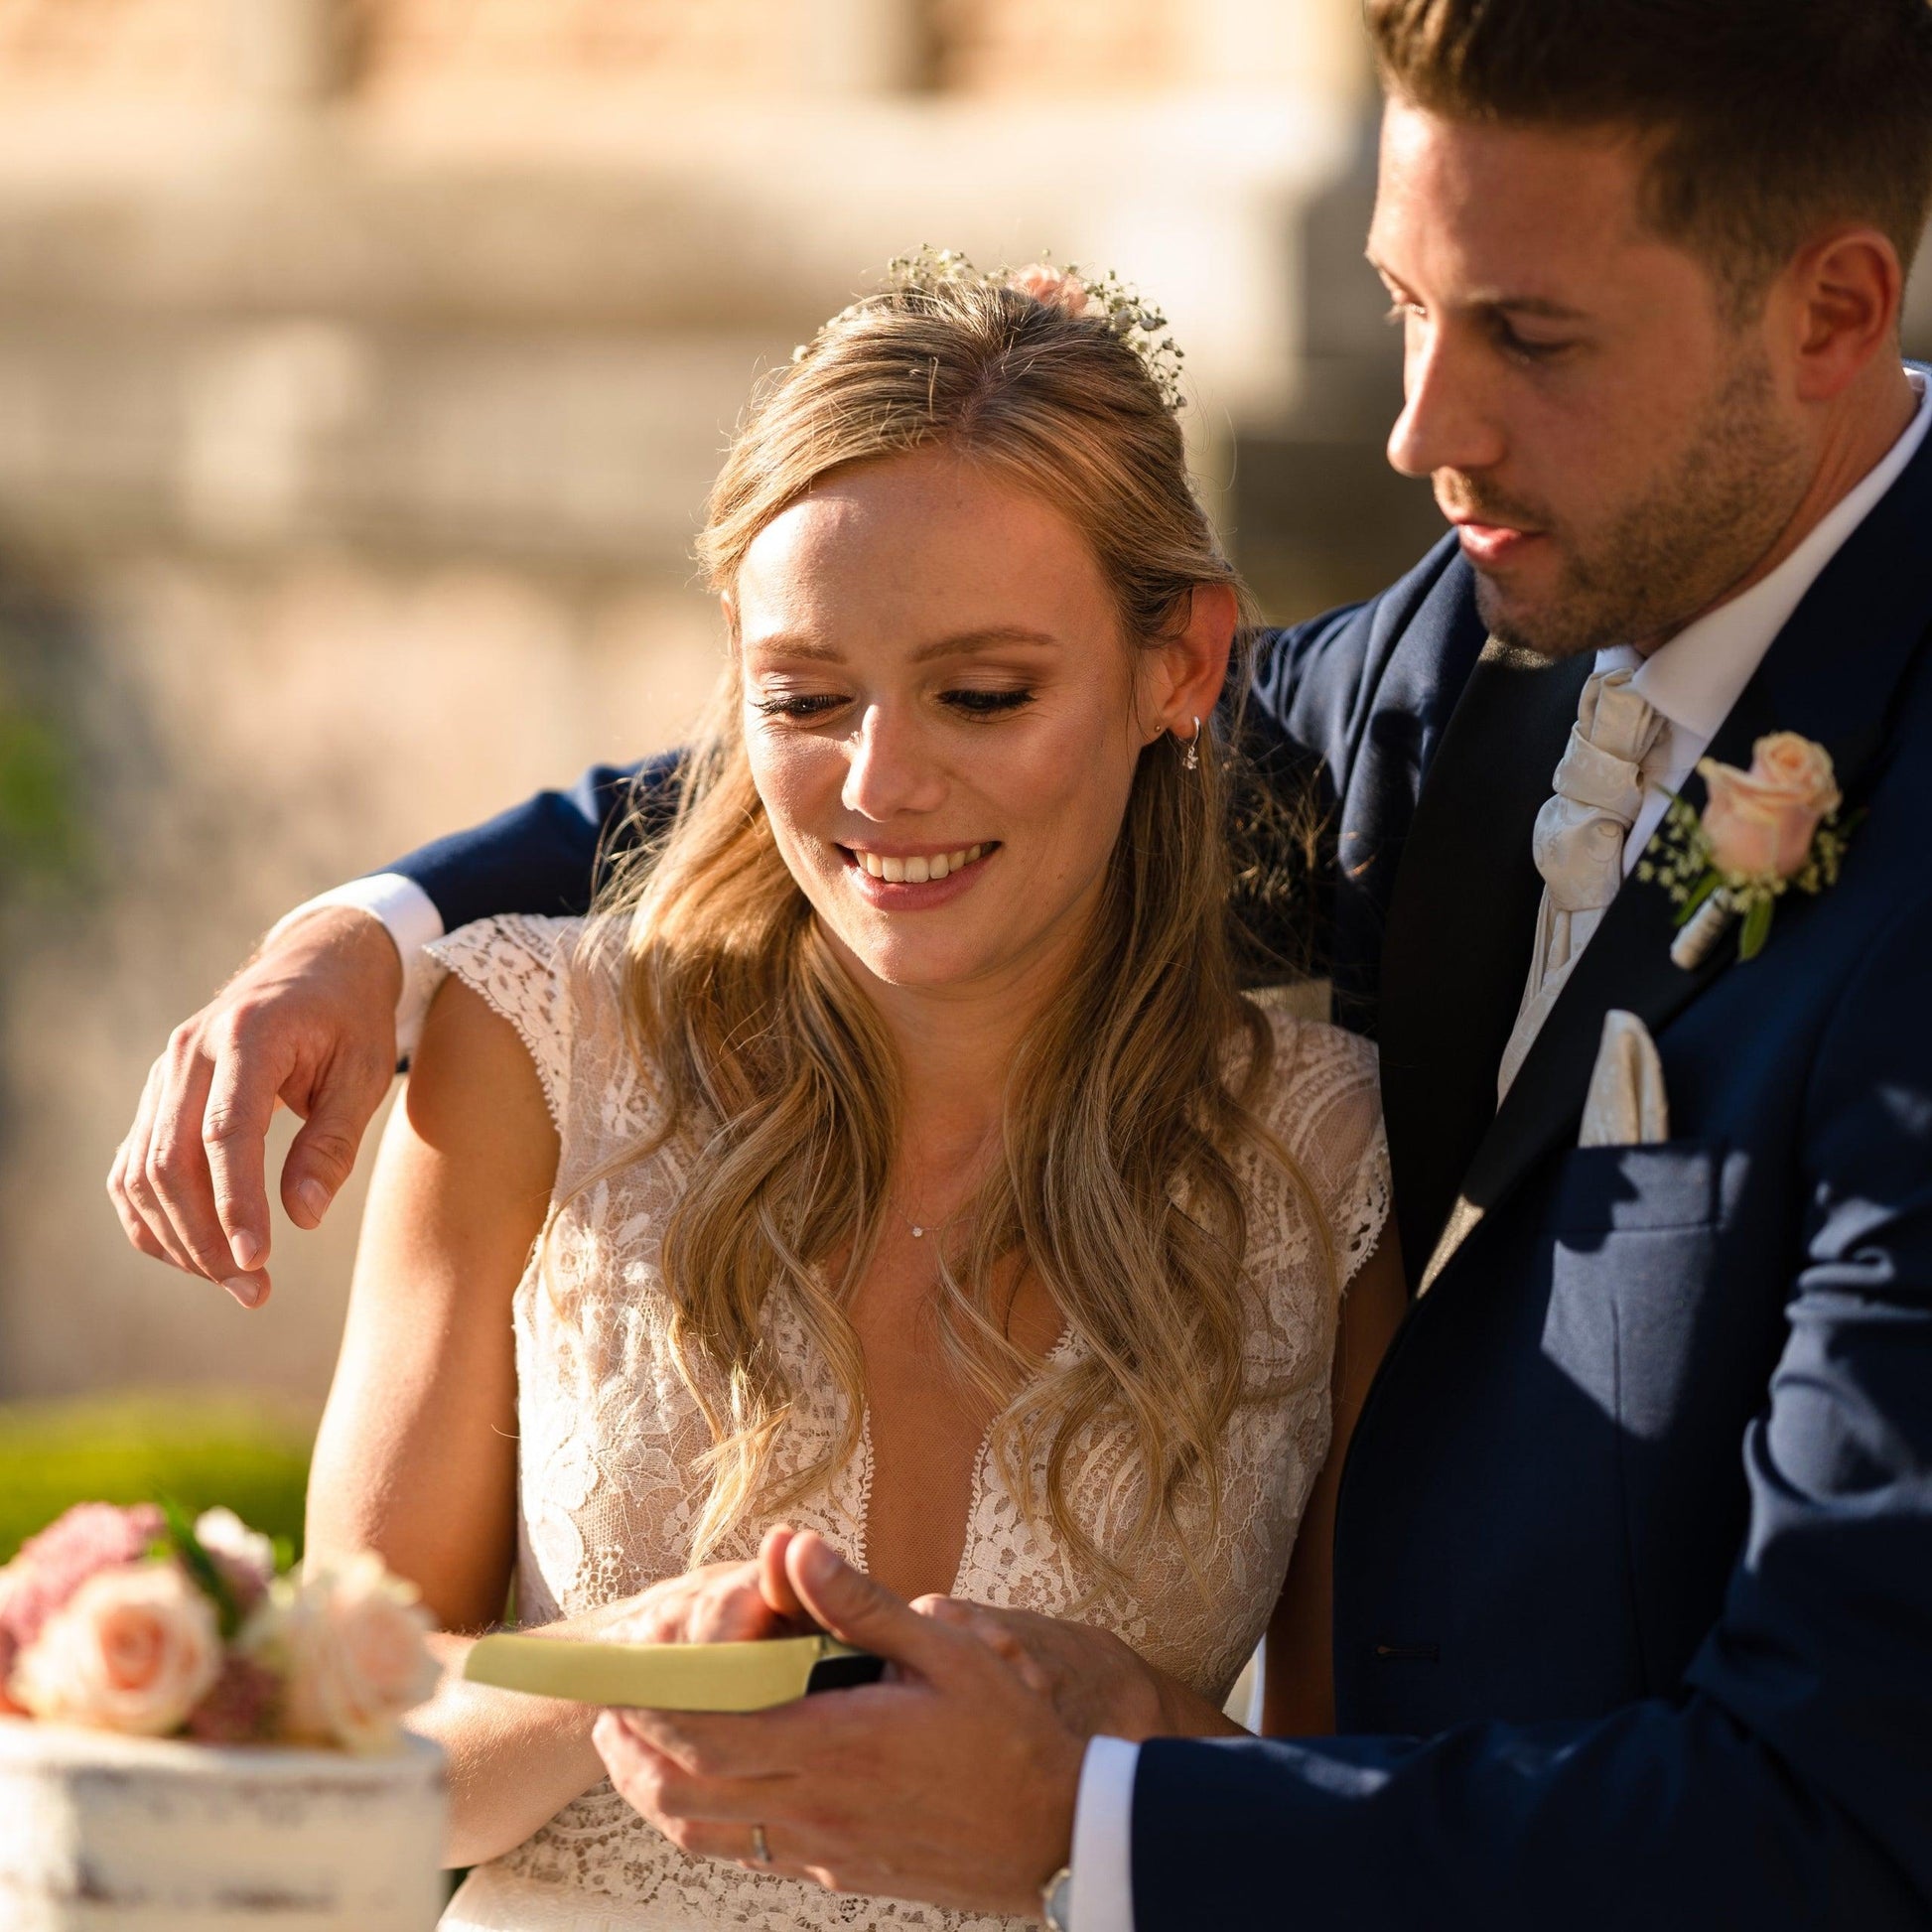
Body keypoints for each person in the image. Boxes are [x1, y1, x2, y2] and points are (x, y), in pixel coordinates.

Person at [108, 0, 1932, 1924]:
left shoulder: (1336, 1134)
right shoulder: (1485, 635)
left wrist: (1111, 1807)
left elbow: (1837, 1807)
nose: (1417, 432)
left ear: (1829, 310)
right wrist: (372, 934)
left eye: (1527, 336)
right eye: (1404, 306)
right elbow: (859, 770)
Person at [290, 256, 1403, 1931]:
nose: (881, 784)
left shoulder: (1318, 1154)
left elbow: (1354, 1831)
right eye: (805, 698)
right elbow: (328, 1752)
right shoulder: (529, 1045)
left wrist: (1120, 1740)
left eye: (982, 694)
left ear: (1181, 664)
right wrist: (616, 1672)